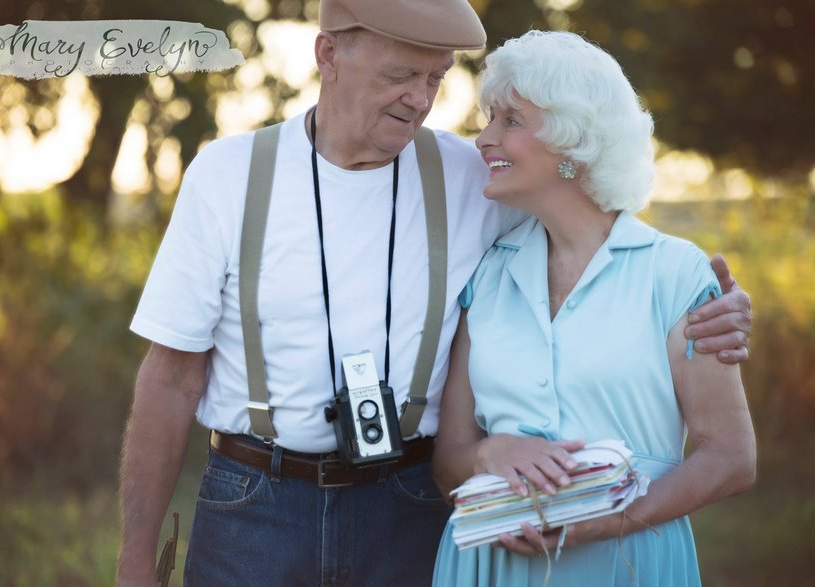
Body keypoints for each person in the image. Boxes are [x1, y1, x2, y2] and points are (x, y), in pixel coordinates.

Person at [115, 2, 753, 585]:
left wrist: (715, 299)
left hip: (413, 504)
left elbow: (590, 218)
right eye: (400, 75)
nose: (419, 99)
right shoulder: (227, 176)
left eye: (436, 78)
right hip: (254, 502)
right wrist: (136, 559)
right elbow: (171, 379)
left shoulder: (472, 176)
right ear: (328, 55)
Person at [431, 30, 757, 586]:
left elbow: (730, 457)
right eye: (490, 118)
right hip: (489, 566)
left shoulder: (675, 271)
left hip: (627, 563)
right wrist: (492, 455)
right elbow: (449, 461)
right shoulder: (486, 276)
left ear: (573, 142)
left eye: (510, 120)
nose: (483, 139)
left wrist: (606, 522)